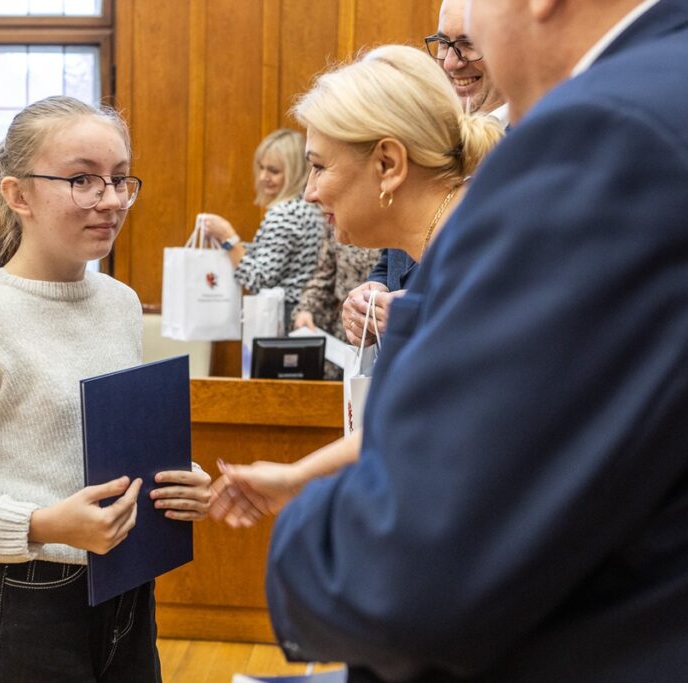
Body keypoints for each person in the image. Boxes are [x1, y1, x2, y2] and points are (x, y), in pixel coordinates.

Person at [250, 0, 688, 680]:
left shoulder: (612, 132)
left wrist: (300, 537)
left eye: (468, 25)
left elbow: (413, 567)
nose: (466, 54)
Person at [0, 95, 211, 682]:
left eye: (118, 180)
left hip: (127, 592)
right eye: (82, 180)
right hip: (23, 603)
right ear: (18, 195)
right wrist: (41, 523)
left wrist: (177, 477)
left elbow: (92, 449)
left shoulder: (119, 303)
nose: (109, 201)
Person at [210, 43, 502, 527]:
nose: (309, 192)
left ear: (388, 164)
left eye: (320, 166)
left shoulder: (478, 264)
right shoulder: (452, 246)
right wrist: (297, 476)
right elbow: (407, 422)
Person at [342, 0, 509, 347]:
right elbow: (398, 259)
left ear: (509, 39)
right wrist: (370, 296)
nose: (450, 62)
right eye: (443, 44)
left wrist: (418, 310)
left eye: (467, 44)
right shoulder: (424, 139)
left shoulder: (537, 146)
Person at [200, 129, 324, 322]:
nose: (263, 177)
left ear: (294, 172)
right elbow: (272, 256)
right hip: (303, 313)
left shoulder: (284, 213)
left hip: (282, 317)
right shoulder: (307, 207)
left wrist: (228, 239)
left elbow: (259, 279)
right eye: (262, 168)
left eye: (273, 171)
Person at [291, 224, 380, 380]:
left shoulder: (391, 220)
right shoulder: (336, 220)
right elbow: (324, 274)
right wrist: (306, 309)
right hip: (344, 329)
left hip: (381, 328)